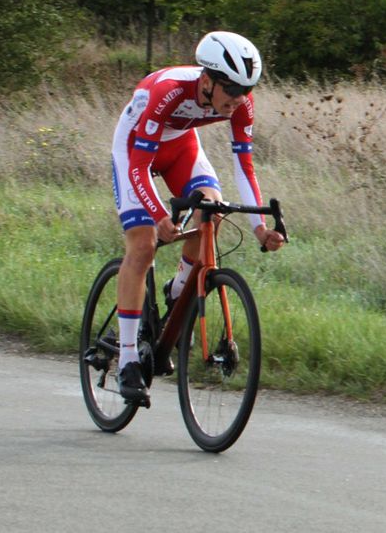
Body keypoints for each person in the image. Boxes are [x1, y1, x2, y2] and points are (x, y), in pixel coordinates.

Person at [110, 31, 286, 403]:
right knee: (143, 245)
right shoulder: (168, 92)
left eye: (246, 90)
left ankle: (178, 293)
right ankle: (126, 359)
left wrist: (259, 229)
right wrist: (158, 215)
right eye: (232, 89)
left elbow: (244, 164)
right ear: (207, 81)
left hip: (180, 147)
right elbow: (140, 167)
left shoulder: (241, 104)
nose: (238, 99)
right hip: (135, 148)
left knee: (213, 209)